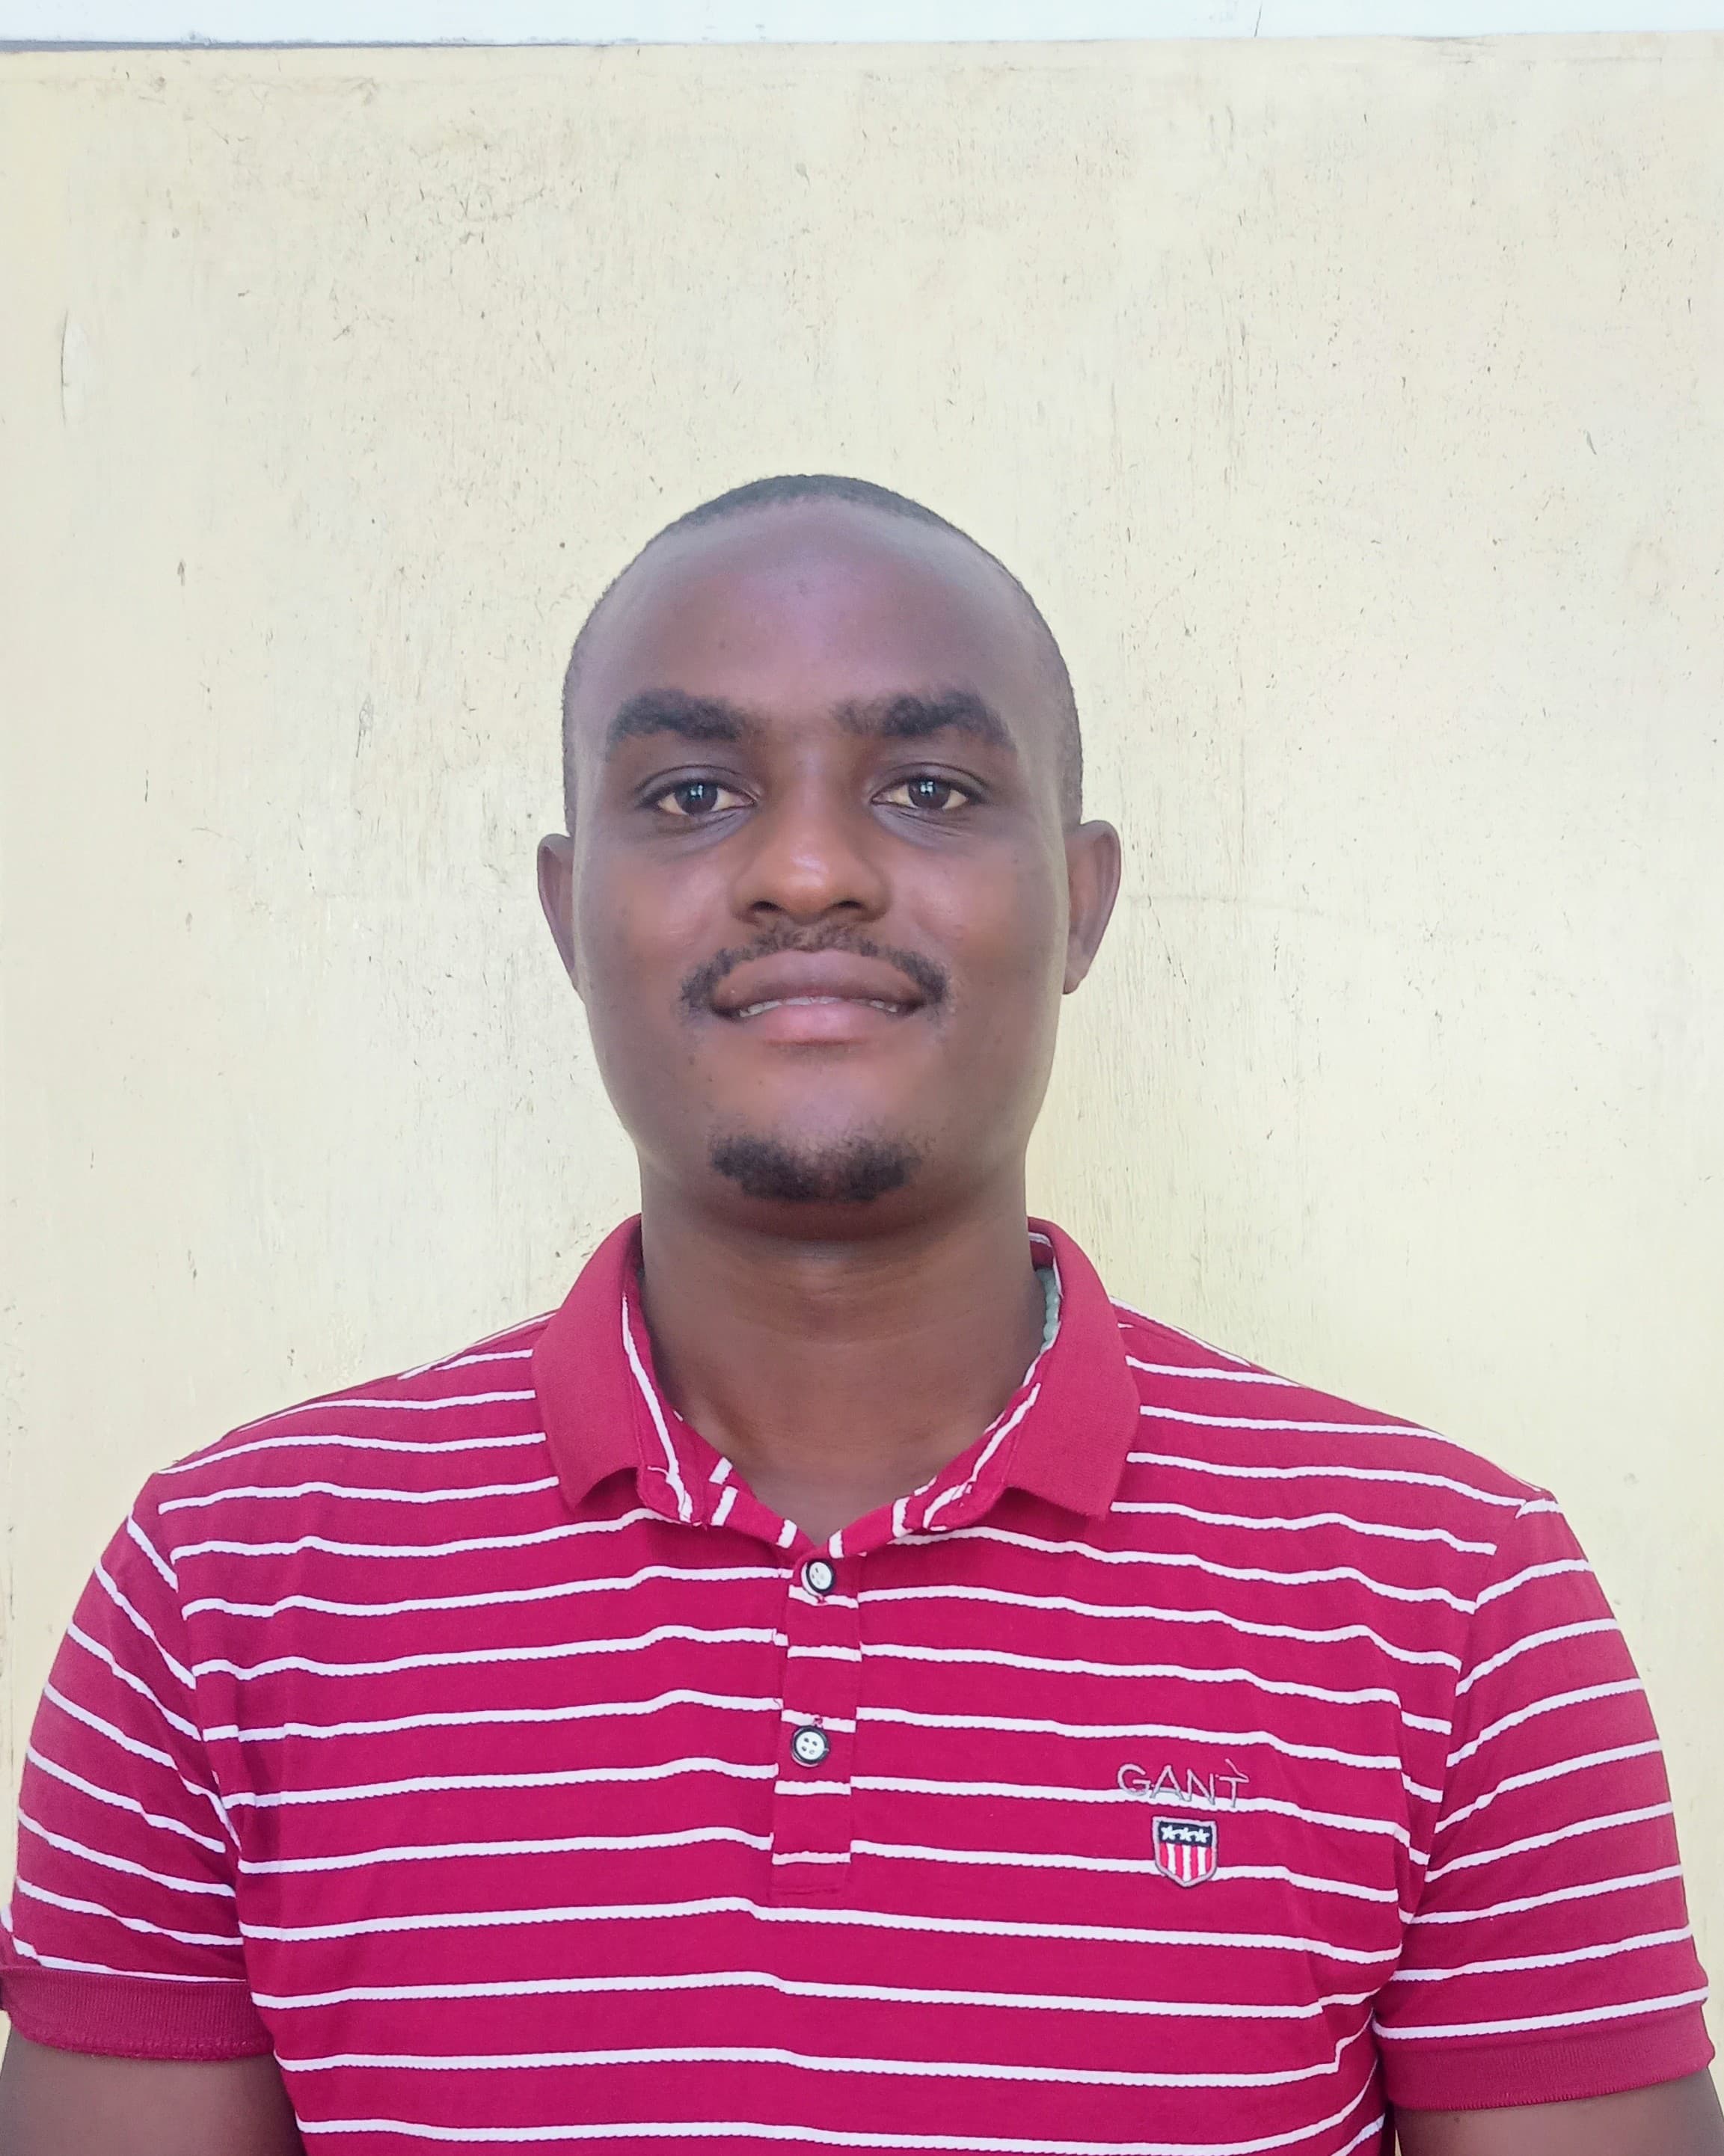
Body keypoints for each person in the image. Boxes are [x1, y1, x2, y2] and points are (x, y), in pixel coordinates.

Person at [0, 474, 1716, 2156]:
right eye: (689, 792)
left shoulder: (1447, 1601)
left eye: (927, 786)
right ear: (564, 911)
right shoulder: (225, 1596)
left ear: (1082, 898)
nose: (808, 868)